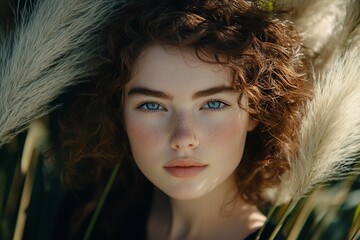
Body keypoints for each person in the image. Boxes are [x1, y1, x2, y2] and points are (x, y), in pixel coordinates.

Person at [54, 0, 312, 239]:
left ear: (255, 111)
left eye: (213, 104)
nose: (183, 139)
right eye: (152, 105)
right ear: (118, 111)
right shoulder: (90, 213)